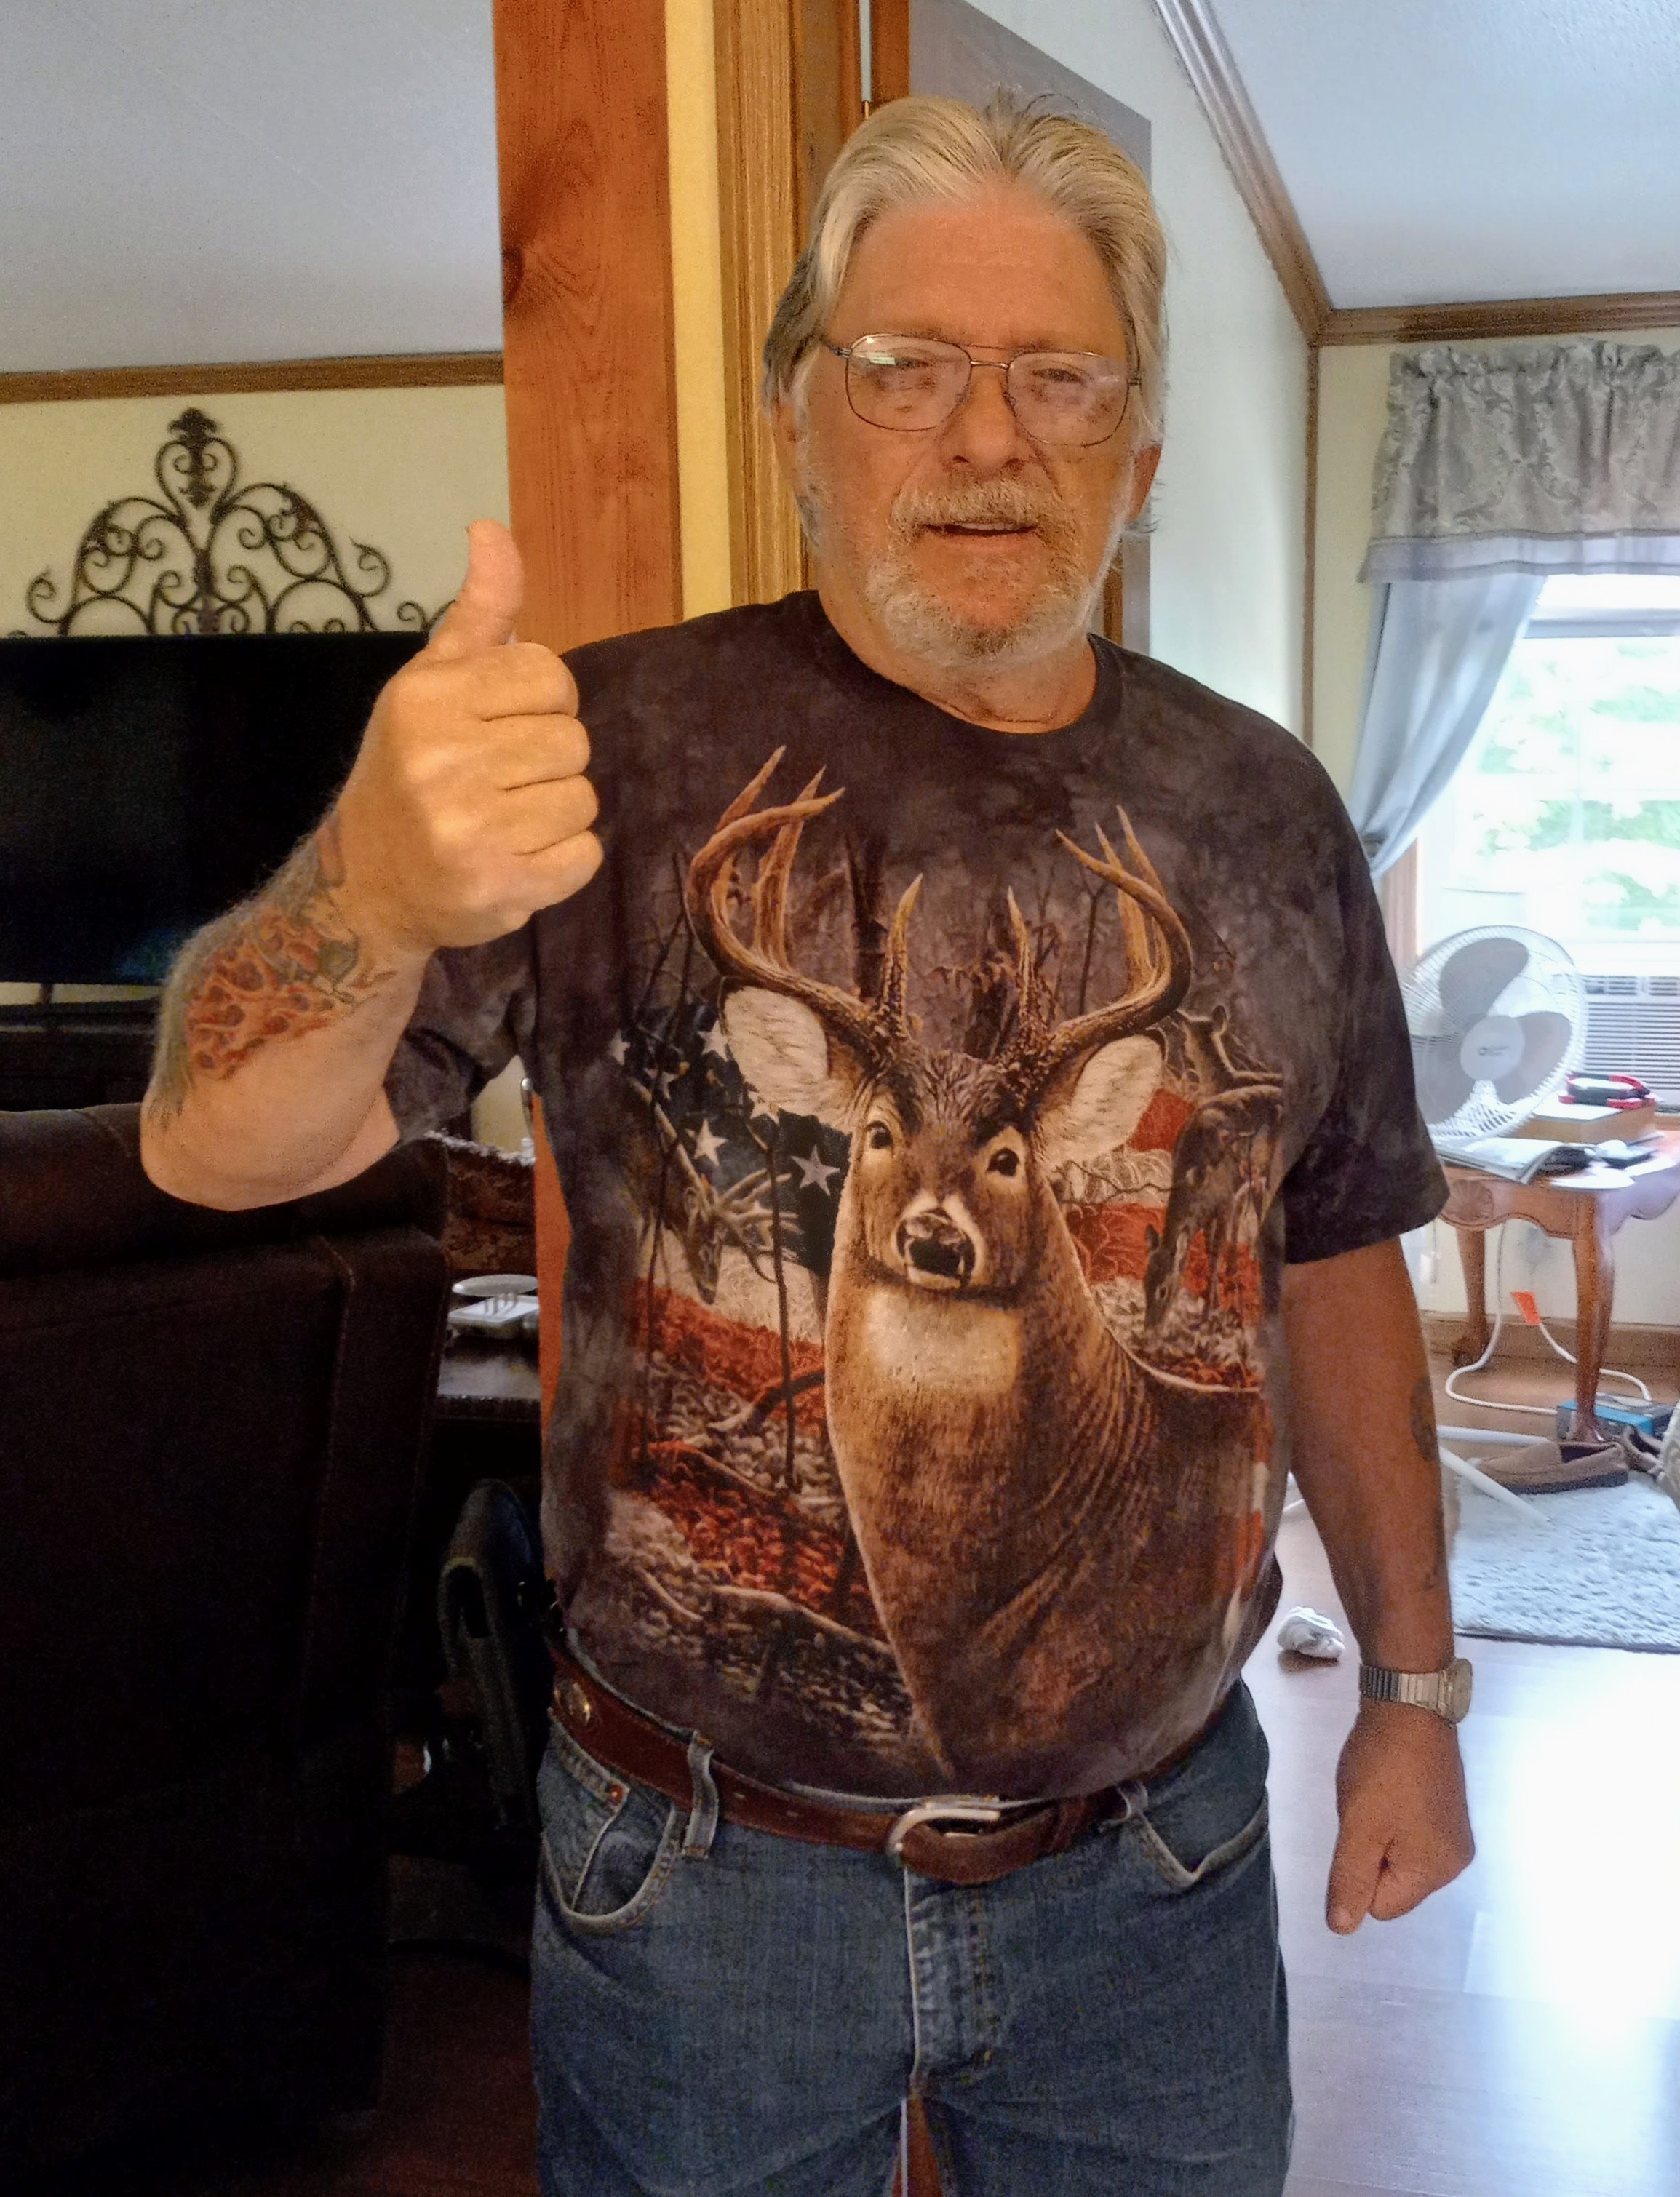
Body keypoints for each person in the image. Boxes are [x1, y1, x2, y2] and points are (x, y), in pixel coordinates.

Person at [143, 94, 1473, 2197]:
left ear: (1136, 451)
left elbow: (1332, 1255)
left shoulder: (1268, 811)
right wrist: (369, 895)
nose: (986, 436)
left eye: (1061, 378)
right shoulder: (606, 756)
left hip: (1158, 1866)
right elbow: (215, 1148)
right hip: (705, 1876)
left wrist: (1412, 1683)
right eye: (906, 366)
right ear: (798, 418)